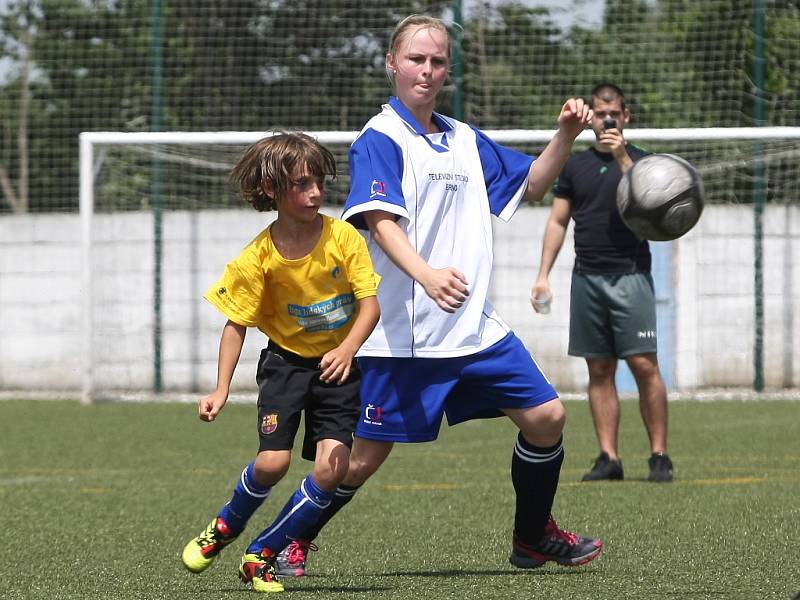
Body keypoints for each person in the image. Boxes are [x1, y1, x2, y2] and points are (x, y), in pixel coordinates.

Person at [273, 14, 602, 579]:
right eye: (416, 59)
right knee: (358, 461)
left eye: (437, 61)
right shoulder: (381, 138)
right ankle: (283, 542)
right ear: (392, 65)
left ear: (447, 69)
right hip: (404, 333)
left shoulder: (466, 139)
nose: (426, 70)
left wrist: (567, 135)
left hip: (473, 329)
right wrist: (425, 274)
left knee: (547, 418)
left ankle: (531, 538)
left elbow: (532, 184)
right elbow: (378, 220)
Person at [180, 132, 381, 593]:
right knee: (272, 463)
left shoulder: (343, 237)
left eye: (318, 182)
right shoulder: (258, 258)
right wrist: (221, 388)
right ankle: (225, 529)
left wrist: (347, 348)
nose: (314, 193)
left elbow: (370, 304)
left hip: (339, 366)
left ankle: (262, 553)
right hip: (285, 366)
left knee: (332, 469)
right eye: (301, 184)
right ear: (271, 189)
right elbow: (236, 324)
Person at [531, 83, 673, 483]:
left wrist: (622, 155)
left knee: (645, 365)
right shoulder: (574, 166)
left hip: (631, 276)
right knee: (600, 369)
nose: (606, 119)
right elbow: (558, 221)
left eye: (613, 113)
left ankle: (659, 456)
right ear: (590, 117)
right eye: (599, 113)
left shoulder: (644, 162)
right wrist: (542, 275)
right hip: (587, 279)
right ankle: (608, 457)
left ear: (625, 116)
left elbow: (650, 200)